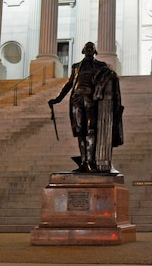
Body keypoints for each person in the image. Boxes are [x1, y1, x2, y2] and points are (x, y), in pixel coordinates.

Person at [48, 42, 123, 172]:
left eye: (91, 48)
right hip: (76, 99)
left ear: (95, 51)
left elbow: (110, 75)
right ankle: (83, 162)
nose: (89, 50)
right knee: (80, 131)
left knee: (91, 130)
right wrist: (57, 99)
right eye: (87, 48)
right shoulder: (76, 67)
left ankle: (90, 162)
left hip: (91, 99)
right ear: (83, 50)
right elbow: (69, 84)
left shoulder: (100, 66)